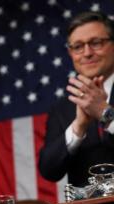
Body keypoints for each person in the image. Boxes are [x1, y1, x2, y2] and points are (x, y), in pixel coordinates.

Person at [39, 11, 114, 187]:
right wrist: (78, 127)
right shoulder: (62, 108)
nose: (87, 53)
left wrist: (105, 113)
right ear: (70, 53)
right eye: (78, 47)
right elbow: (49, 170)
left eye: (96, 43)